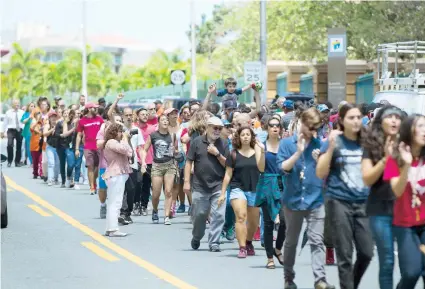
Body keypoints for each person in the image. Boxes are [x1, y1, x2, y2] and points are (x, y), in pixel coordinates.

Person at [317, 103, 373, 289]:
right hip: (339, 201)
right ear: (341, 121)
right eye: (351, 118)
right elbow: (320, 172)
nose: (356, 121)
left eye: (358, 117)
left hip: (362, 202)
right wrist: (331, 147)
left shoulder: (367, 141)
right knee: (345, 255)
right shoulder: (334, 141)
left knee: (366, 252)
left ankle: (351, 285)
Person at [277, 107, 334, 289]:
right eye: (311, 128)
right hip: (293, 201)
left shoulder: (320, 145)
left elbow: (328, 174)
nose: (313, 132)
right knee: (291, 242)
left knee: (317, 240)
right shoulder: (287, 144)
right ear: (302, 123)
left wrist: (321, 161)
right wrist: (298, 153)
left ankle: (320, 280)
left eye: (316, 129)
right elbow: (283, 168)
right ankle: (289, 279)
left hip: (315, 200)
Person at [361, 105, 403, 289]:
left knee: (413, 264)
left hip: (407, 209)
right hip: (380, 209)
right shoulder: (371, 147)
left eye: (397, 117)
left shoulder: (410, 146)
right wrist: (386, 158)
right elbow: (368, 179)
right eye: (389, 117)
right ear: (380, 122)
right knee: (387, 261)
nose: (394, 120)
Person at [384, 114, 425, 289]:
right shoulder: (395, 158)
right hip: (405, 224)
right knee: (411, 272)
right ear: (410, 131)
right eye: (421, 127)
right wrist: (407, 166)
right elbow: (397, 191)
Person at [184, 117, 228, 252]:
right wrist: (186, 182)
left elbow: (228, 165)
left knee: (219, 215)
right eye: (215, 127)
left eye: (220, 128)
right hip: (199, 185)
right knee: (199, 215)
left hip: (218, 185)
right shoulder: (196, 142)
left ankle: (214, 242)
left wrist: (217, 154)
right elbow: (189, 162)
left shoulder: (224, 144)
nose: (217, 131)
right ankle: (197, 236)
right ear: (207, 127)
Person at [220, 126, 263, 258]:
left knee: (254, 222)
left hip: (255, 189)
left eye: (248, 134)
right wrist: (222, 193)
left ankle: (249, 242)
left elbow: (262, 169)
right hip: (237, 188)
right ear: (238, 137)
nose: (245, 137)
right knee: (241, 217)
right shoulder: (233, 154)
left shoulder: (257, 152)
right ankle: (242, 247)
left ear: (252, 137)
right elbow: (227, 175)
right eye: (243, 134)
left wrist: (262, 149)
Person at [255, 117, 286, 269]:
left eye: (277, 125)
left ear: (280, 128)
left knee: (285, 222)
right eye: (271, 125)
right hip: (267, 183)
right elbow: (260, 168)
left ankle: (278, 249)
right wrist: (261, 150)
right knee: (268, 223)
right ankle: (269, 257)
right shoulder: (261, 145)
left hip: (283, 184)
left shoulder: (285, 145)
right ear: (267, 128)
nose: (274, 128)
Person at [141, 114, 178, 225]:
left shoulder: (172, 136)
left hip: (170, 165)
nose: (165, 121)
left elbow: (175, 150)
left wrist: (176, 154)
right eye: (163, 120)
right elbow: (145, 149)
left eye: (166, 120)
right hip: (157, 166)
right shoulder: (153, 135)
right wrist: (143, 162)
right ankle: (155, 210)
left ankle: (166, 216)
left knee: (168, 191)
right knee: (156, 193)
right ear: (158, 123)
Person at [102, 123, 133, 237]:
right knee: (116, 202)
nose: (121, 134)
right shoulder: (111, 142)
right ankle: (113, 229)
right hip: (116, 175)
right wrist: (125, 139)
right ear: (114, 132)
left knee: (112, 202)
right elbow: (126, 150)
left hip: (116, 175)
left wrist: (125, 140)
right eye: (120, 132)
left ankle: (110, 227)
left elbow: (130, 152)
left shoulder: (112, 143)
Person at [75, 102, 104, 195]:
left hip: (99, 146)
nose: (96, 109)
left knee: (97, 167)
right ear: (89, 109)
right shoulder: (82, 121)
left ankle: (94, 181)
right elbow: (79, 135)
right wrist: (76, 149)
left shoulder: (99, 119)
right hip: (88, 147)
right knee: (90, 166)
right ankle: (92, 186)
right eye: (94, 108)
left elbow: (104, 130)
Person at [135, 107, 157, 216]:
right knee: (138, 182)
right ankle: (136, 203)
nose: (145, 116)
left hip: (150, 160)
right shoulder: (134, 129)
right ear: (138, 116)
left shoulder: (152, 129)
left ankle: (144, 205)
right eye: (142, 114)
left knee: (147, 185)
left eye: (146, 114)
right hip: (136, 160)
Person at [1, 99, 24, 167]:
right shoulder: (8, 112)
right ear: (12, 105)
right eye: (16, 103)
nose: (17, 104)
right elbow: (5, 123)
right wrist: (2, 132)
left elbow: (24, 122)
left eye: (18, 103)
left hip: (19, 130)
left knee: (19, 146)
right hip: (11, 130)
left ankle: (17, 162)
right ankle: (9, 161)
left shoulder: (22, 112)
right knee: (10, 145)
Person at [44, 111, 61, 186]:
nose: (53, 118)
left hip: (57, 147)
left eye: (55, 116)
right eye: (52, 117)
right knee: (51, 163)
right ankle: (50, 179)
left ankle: (56, 178)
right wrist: (52, 130)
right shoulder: (47, 125)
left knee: (57, 164)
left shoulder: (59, 125)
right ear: (49, 118)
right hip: (50, 147)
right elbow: (44, 133)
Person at [29, 111, 43, 179]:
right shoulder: (33, 123)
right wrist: (36, 121)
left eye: (40, 115)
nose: (39, 116)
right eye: (38, 115)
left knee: (41, 160)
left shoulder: (42, 124)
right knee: (35, 160)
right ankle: (35, 173)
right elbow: (31, 128)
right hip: (34, 145)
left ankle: (41, 173)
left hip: (41, 145)